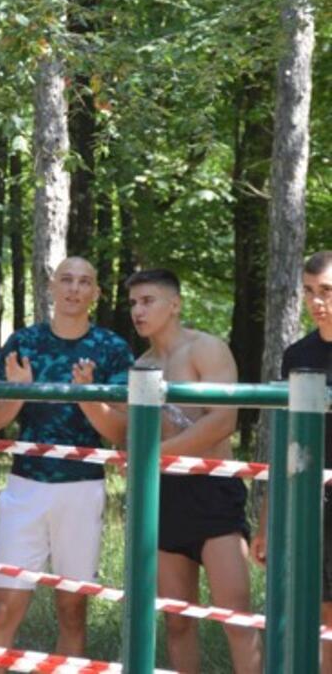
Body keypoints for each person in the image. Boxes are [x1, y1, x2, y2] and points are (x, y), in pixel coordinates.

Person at [75, 268, 261, 674]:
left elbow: (222, 421)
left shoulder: (206, 349)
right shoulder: (140, 365)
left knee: (236, 616)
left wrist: (154, 455)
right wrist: (90, 400)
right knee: (178, 622)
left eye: (148, 301)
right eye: (133, 304)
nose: (138, 311)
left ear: (174, 305)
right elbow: (124, 433)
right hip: (164, 497)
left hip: (213, 493)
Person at [0, 257, 131, 657]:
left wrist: (88, 396)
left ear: (96, 293)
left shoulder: (113, 349)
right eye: (66, 279)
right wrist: (20, 393)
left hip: (83, 488)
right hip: (25, 484)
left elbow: (121, 431)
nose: (74, 289)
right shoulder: (23, 343)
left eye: (84, 282)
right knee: (3, 609)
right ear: (50, 286)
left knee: (72, 609)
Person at [251, 250, 332, 674]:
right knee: (313, 617)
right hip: (308, 501)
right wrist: (266, 519)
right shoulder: (297, 354)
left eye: (327, 291)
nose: (317, 302)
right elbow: (285, 444)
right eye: (309, 292)